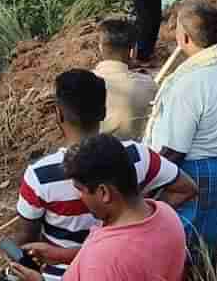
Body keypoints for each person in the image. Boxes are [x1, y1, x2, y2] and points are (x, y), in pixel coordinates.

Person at [11, 70, 196, 281]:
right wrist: (144, 220)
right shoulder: (138, 157)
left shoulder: (38, 176)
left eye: (80, 190)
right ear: (104, 111)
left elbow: (26, 237)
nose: (78, 195)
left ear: (59, 114)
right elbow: (186, 188)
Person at [145, 1, 217, 272]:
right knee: (212, 246)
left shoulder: (189, 83)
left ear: (183, 37)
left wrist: (146, 186)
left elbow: (174, 150)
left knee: (185, 249)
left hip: (193, 173)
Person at [7, 134, 188, 281]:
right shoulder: (166, 215)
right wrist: (62, 255)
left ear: (103, 192)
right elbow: (131, 253)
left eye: (81, 190)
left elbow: (111, 259)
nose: (80, 197)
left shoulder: (103, 261)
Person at [94, 18, 157, 140]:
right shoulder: (149, 85)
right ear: (133, 51)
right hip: (136, 155)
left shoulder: (83, 85)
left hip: (94, 155)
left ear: (101, 48)